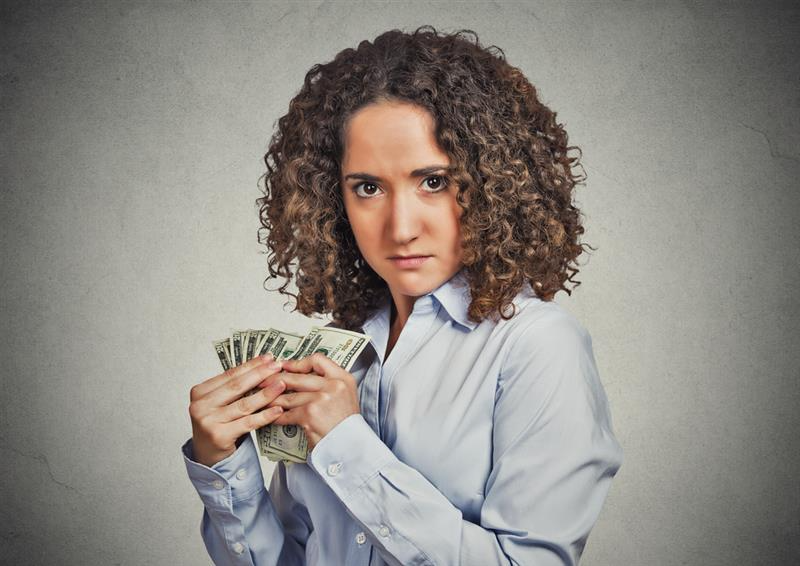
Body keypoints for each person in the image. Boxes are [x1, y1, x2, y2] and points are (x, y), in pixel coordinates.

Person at [182, 25, 623, 566]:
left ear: (490, 182)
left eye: (433, 181)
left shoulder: (537, 347)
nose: (400, 227)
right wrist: (223, 464)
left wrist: (346, 443)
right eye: (367, 187)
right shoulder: (338, 356)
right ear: (331, 199)